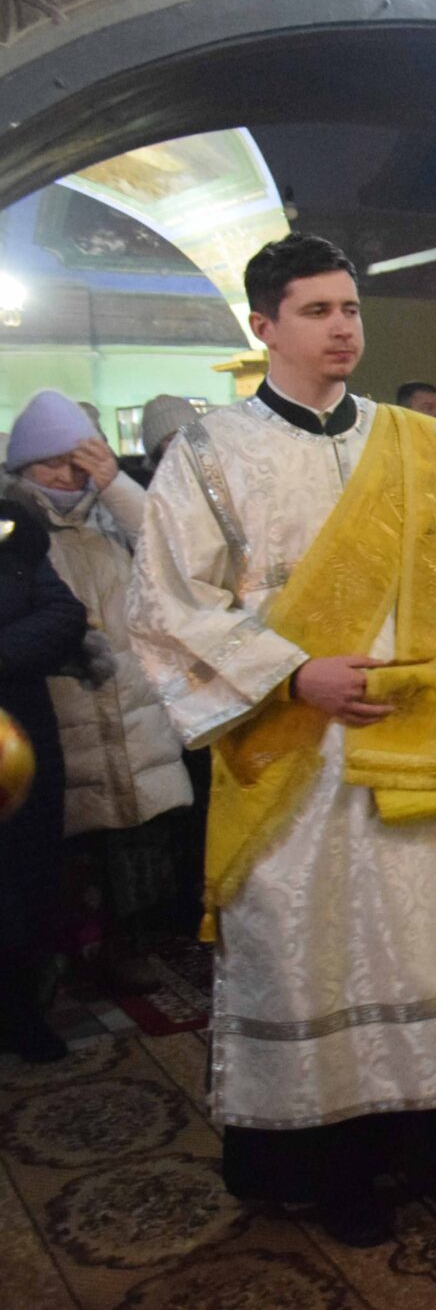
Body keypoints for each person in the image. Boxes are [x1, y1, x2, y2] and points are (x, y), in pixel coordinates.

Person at [127, 233, 436, 1246]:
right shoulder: (209, 456)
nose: (340, 329)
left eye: (350, 309)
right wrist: (292, 673)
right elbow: (164, 608)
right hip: (290, 749)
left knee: (427, 940)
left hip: (413, 743)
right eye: (316, 311)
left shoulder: (422, 446)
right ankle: (332, 1169)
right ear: (263, 325)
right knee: (311, 952)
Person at [1, 391, 193, 984]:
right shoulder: (18, 529)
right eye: (48, 464)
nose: (64, 475)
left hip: (132, 703)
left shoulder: (111, 515)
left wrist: (113, 484)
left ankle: (121, 947)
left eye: (75, 461)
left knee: (132, 839)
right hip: (59, 707)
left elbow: (175, 550)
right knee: (68, 847)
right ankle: (67, 955)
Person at [0, 501, 88, 1062]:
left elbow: (63, 614)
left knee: (27, 880)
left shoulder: (9, 528)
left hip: (21, 740)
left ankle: (21, 1014)